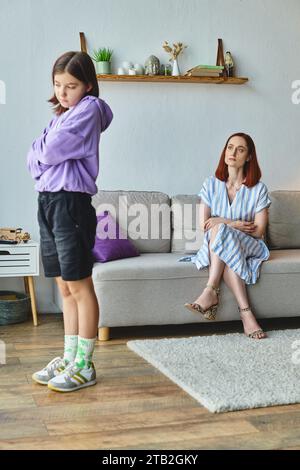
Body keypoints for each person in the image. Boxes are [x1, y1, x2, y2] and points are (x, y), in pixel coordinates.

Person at [27, 51, 113, 391]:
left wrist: (42, 149)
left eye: (71, 85)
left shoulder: (89, 109)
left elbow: (44, 153)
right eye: (58, 84)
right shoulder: (61, 115)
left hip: (70, 203)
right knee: (63, 286)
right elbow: (32, 161)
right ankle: (69, 356)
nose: (63, 92)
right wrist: (41, 149)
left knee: (79, 285)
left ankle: (85, 364)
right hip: (47, 201)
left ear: (88, 85)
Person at [184, 133, 271, 339]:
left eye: (240, 149)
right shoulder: (211, 184)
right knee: (221, 236)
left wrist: (220, 221)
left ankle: (211, 291)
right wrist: (232, 223)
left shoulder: (258, 189)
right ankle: (246, 313)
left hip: (250, 245)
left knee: (220, 231)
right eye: (229, 147)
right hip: (219, 242)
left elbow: (258, 230)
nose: (232, 153)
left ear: (249, 156)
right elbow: (205, 225)